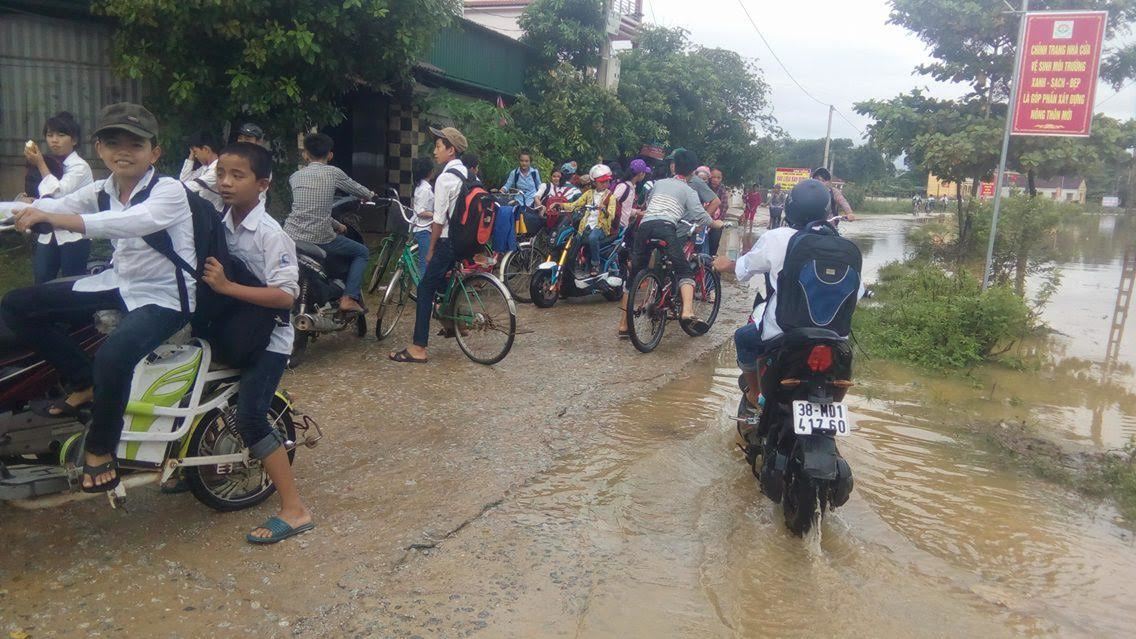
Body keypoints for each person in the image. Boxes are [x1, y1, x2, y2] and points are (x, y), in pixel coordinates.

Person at [0, 103, 195, 493]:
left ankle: (102, 447)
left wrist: (54, 219)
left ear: (154, 152)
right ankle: (81, 379)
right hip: (118, 281)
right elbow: (51, 204)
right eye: (112, 142)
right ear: (100, 148)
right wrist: (20, 210)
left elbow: (128, 223)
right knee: (16, 304)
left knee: (114, 356)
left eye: (135, 144)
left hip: (166, 295)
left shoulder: (170, 190)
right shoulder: (103, 188)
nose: (123, 151)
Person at [203, 142, 313, 544]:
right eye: (221, 174)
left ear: (262, 184)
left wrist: (228, 286)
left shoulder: (271, 235)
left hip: (270, 341)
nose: (226, 183)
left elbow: (286, 295)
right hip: (234, 330)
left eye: (238, 175)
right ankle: (201, 470)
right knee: (208, 399)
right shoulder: (220, 220)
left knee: (250, 416)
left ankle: (294, 509)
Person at [712, 178, 859, 411]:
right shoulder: (840, 245)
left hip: (782, 332)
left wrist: (726, 264)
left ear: (790, 208)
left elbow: (745, 268)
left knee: (744, 338)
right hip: (833, 336)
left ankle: (756, 395)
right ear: (827, 210)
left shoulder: (776, 237)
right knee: (845, 360)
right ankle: (832, 407)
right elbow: (855, 293)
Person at [618, 148, 725, 338]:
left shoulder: (659, 183)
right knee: (684, 270)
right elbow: (700, 214)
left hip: (644, 228)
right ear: (693, 170)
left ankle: (624, 324)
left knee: (635, 274)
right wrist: (715, 223)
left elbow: (650, 203)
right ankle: (687, 313)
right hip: (669, 229)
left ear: (674, 166)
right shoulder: (689, 188)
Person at [388, 126, 468, 364]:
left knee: (424, 289)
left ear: (450, 150)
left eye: (438, 147)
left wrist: (431, 250)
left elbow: (438, 219)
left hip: (446, 241)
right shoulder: (467, 174)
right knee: (443, 283)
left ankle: (418, 347)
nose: (435, 152)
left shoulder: (445, 178)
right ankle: (455, 325)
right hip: (463, 241)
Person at [283, 133, 376, 313]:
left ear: (305, 155)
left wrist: (337, 225)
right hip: (320, 237)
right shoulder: (333, 173)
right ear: (330, 155)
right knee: (362, 252)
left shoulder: (295, 176)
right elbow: (358, 190)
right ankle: (349, 297)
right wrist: (371, 195)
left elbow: (311, 209)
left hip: (291, 235)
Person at [23, 111, 94, 283]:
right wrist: (31, 199)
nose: (54, 140)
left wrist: (40, 163)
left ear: (74, 140)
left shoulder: (80, 167)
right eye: (50, 135)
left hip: (74, 233)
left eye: (61, 135)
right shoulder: (50, 163)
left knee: (72, 283)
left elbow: (58, 192)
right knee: (42, 280)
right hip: (48, 232)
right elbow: (42, 195)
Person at [558, 164, 617, 276]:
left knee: (592, 238)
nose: (605, 184)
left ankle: (595, 264)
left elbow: (612, 215)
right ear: (594, 182)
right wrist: (560, 205)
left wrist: (604, 210)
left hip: (600, 227)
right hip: (586, 225)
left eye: (607, 182)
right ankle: (570, 266)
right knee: (576, 240)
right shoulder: (588, 194)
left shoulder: (611, 197)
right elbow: (574, 205)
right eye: (602, 182)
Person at [178, 130, 224, 212]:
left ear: (206, 149)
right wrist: (191, 156)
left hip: (215, 217)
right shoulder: (205, 168)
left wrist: (169, 187)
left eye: (195, 152)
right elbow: (183, 180)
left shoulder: (217, 170)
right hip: (204, 214)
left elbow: (189, 187)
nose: (195, 156)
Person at [410, 156, 435, 275]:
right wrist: (436, 215)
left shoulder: (421, 186)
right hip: (423, 229)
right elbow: (420, 211)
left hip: (420, 228)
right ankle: (423, 290)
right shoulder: (425, 189)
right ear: (430, 171)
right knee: (424, 264)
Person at [689, 164, 720, 256]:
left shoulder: (708, 192)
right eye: (700, 178)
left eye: (705, 179)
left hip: (704, 224)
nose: (702, 181)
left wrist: (704, 220)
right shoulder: (689, 187)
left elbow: (717, 205)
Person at [613, 159, 649, 231]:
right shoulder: (624, 187)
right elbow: (612, 202)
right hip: (617, 225)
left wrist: (637, 212)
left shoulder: (632, 187)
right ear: (641, 173)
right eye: (644, 173)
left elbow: (626, 208)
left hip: (623, 225)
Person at [708, 168, 729, 256]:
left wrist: (718, 221)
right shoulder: (704, 187)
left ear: (721, 179)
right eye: (713, 177)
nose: (715, 180)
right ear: (709, 177)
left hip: (716, 221)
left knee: (714, 243)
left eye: (718, 178)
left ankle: (710, 262)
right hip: (702, 220)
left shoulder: (722, 190)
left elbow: (724, 206)